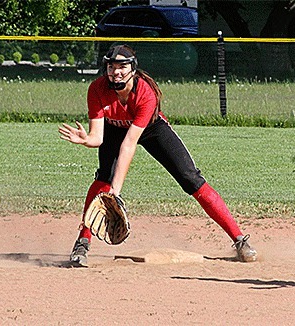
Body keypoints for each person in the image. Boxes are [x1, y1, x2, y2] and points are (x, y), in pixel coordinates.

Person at [58, 44, 257, 267]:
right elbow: (98, 137)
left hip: (151, 129)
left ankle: (239, 240)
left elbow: (129, 144)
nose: (116, 72)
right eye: (111, 67)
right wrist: (86, 141)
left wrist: (117, 192)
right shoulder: (97, 89)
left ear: (133, 68)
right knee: (103, 179)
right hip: (113, 129)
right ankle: (82, 243)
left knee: (191, 178)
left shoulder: (145, 93)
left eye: (122, 66)